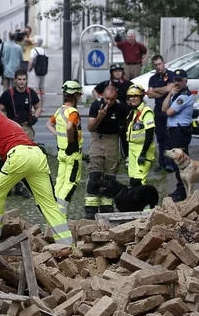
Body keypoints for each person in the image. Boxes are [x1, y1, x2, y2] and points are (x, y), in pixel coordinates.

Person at [0, 97, 72, 248]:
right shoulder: (8, 122)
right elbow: (8, 164)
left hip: (18, 157)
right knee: (49, 204)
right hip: (37, 155)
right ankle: (67, 244)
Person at [84, 84, 127, 218]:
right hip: (97, 138)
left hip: (112, 140)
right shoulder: (96, 105)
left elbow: (124, 125)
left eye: (112, 100)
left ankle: (106, 206)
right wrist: (100, 117)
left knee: (109, 176)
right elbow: (90, 127)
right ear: (103, 96)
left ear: (116, 99)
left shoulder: (120, 107)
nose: (108, 102)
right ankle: (90, 209)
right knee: (95, 175)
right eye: (106, 99)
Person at [46, 80, 83, 229]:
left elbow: (49, 125)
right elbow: (69, 127)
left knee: (59, 184)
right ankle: (60, 218)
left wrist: (58, 137)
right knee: (70, 184)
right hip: (72, 154)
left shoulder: (60, 110)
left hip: (62, 153)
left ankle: (52, 216)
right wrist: (71, 142)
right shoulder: (72, 112)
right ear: (76, 96)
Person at [162, 69, 196, 201]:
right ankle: (180, 188)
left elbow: (169, 112)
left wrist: (171, 95)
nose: (177, 83)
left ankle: (183, 191)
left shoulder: (184, 96)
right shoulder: (176, 94)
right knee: (176, 162)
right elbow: (163, 109)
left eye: (180, 80)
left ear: (185, 81)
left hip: (180, 132)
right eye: (175, 80)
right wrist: (169, 94)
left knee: (181, 162)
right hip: (174, 131)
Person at [147, 55, 176, 172]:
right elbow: (149, 94)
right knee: (160, 137)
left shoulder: (171, 75)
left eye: (160, 64)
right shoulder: (153, 78)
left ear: (164, 63)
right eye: (156, 65)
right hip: (158, 110)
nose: (158, 67)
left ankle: (170, 163)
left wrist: (156, 90)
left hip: (168, 109)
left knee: (169, 137)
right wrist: (163, 90)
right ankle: (162, 162)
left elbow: (170, 90)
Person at [125, 84, 156, 186]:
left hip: (142, 149)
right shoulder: (133, 112)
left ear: (141, 97)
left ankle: (140, 201)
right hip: (132, 149)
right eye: (131, 97)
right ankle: (134, 201)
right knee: (133, 179)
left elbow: (150, 134)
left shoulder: (146, 112)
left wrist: (143, 153)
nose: (133, 99)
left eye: (136, 96)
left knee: (139, 181)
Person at [0, 70, 41, 139]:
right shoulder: (7, 94)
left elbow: (38, 107)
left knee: (28, 148)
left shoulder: (31, 93)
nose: (22, 81)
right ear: (15, 80)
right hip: (12, 128)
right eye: (19, 79)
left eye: (24, 79)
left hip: (27, 127)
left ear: (26, 80)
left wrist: (35, 117)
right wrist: (7, 120)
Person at [28, 36, 49, 110]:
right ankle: (41, 107)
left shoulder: (33, 50)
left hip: (35, 72)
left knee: (35, 89)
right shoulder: (44, 51)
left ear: (36, 42)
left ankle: (35, 107)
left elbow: (31, 61)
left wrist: (29, 69)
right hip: (43, 72)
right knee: (42, 89)